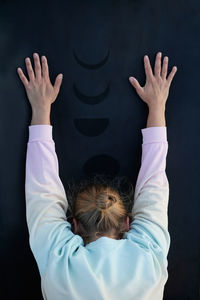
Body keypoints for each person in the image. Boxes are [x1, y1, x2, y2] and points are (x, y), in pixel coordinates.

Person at [17, 51, 177, 300]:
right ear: (126, 224)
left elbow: (154, 187)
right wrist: (42, 109)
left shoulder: (60, 263)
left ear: (75, 226)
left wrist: (157, 106)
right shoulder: (148, 259)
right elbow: (42, 193)